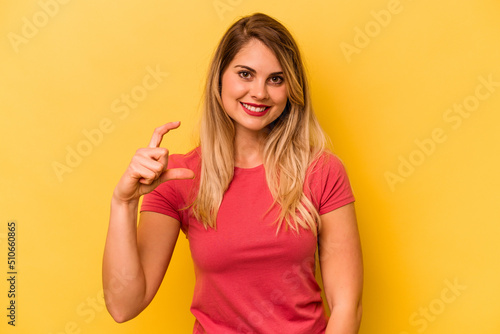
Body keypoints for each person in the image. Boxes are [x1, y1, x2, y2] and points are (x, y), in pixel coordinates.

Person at [102, 12, 363, 334]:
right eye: (245, 74)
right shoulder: (178, 178)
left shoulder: (322, 172)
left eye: (276, 79)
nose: (260, 92)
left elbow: (346, 305)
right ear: (220, 79)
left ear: (291, 89)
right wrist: (123, 203)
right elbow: (123, 305)